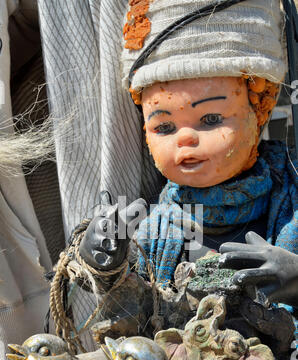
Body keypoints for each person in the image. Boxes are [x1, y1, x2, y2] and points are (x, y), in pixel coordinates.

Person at [77, 0, 298, 313]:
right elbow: (137, 309)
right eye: (164, 126)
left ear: (259, 110)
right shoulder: (155, 230)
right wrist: (104, 269)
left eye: (210, 120)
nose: (185, 139)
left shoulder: (292, 203)